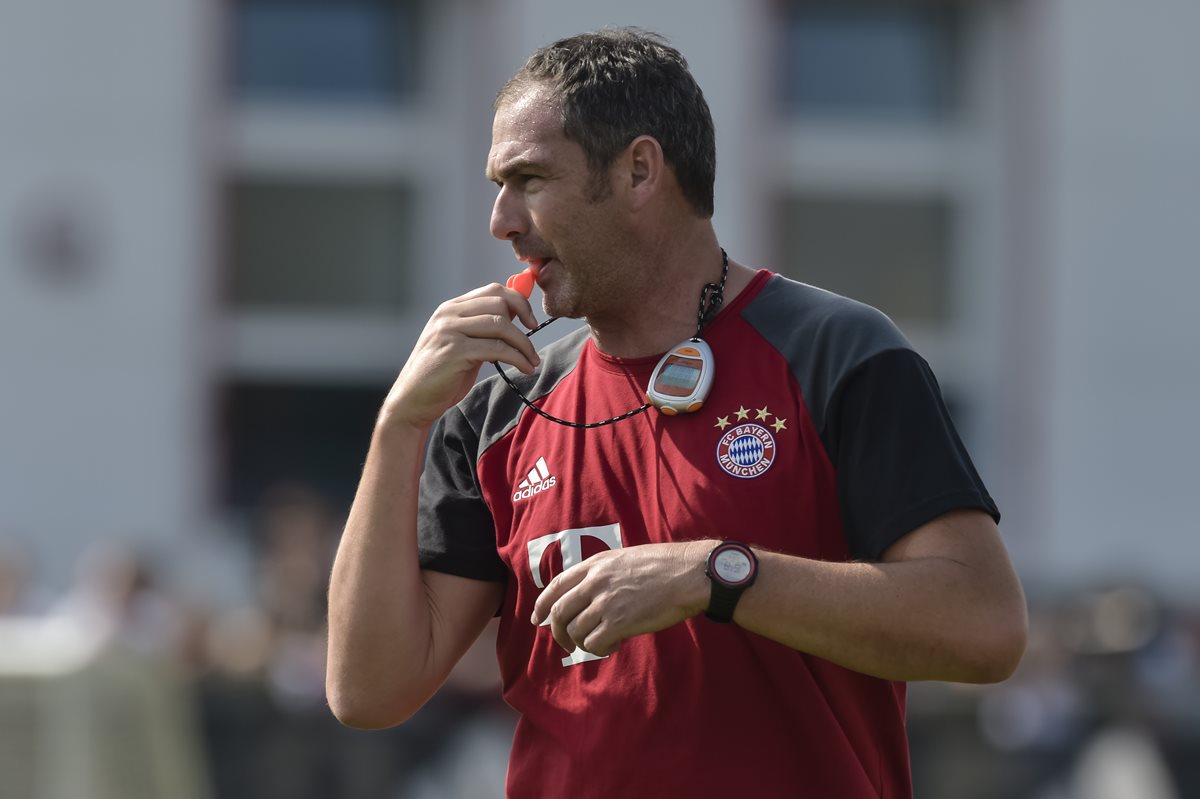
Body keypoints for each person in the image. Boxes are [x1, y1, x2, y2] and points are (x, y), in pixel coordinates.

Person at [327, 27, 1028, 798]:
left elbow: (984, 628)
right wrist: (399, 426)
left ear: (638, 170)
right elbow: (368, 691)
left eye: (529, 179)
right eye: (499, 184)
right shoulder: (500, 403)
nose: (501, 220)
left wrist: (714, 572)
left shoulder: (834, 351)